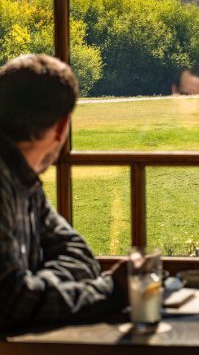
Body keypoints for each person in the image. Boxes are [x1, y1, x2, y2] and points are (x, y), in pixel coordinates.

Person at [0, 54, 127, 328]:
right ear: (60, 128)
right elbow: (11, 303)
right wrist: (111, 291)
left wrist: (39, 285)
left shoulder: (23, 178)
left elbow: (78, 252)